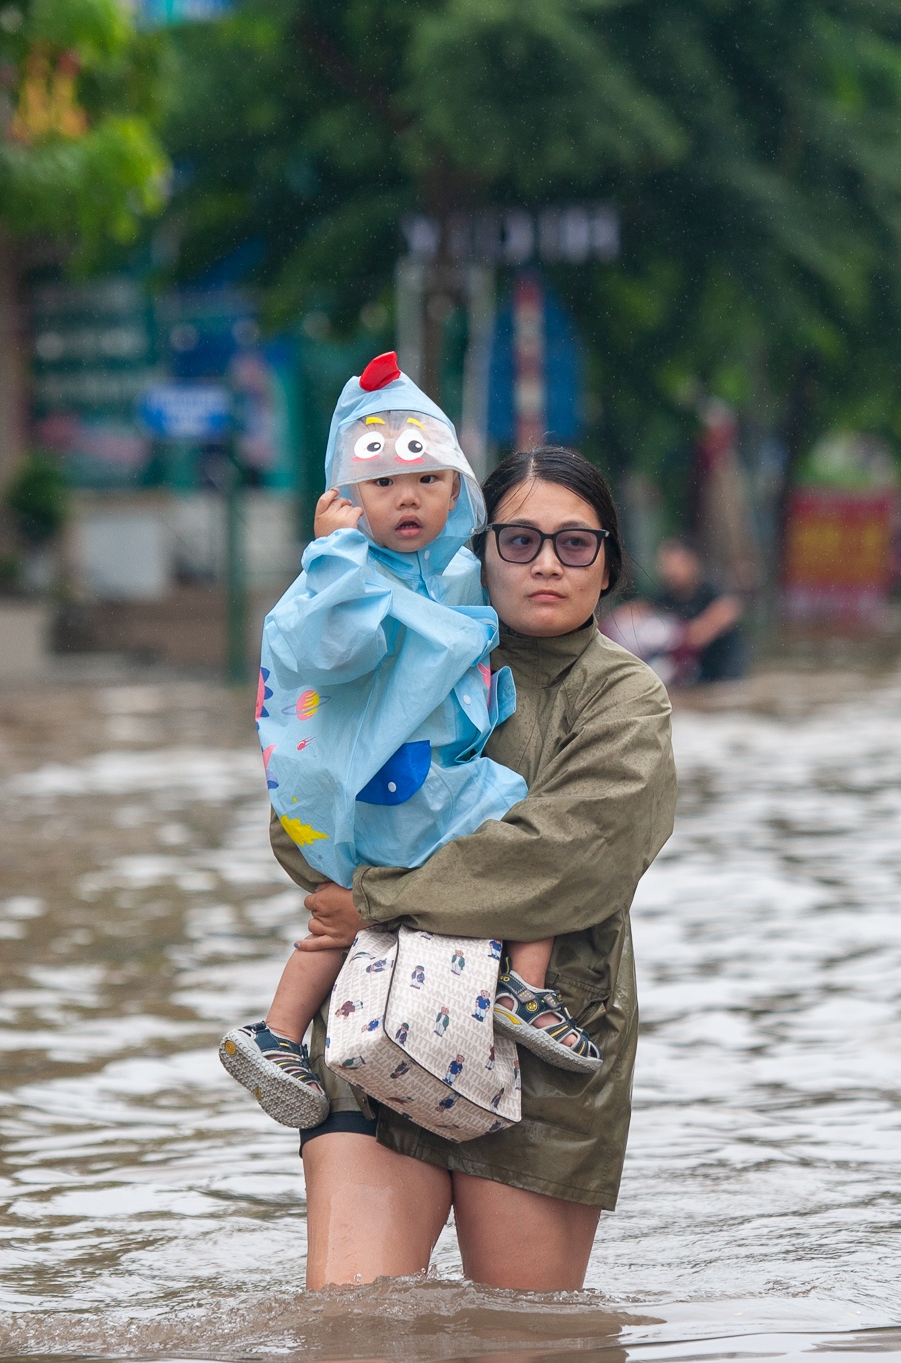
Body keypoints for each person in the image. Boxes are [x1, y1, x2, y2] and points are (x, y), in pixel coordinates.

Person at [275, 446, 676, 1291]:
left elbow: (564, 860)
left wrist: (376, 896)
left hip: (544, 1045)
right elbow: (304, 806)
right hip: (375, 1023)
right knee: (354, 1333)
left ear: (609, 566)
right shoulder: (395, 650)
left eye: (575, 544)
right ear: (478, 548)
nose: (545, 564)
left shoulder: (625, 698)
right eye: (519, 539)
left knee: (522, 1340)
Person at [220, 354, 600, 1132]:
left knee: (339, 916)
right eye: (383, 483)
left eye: (428, 480)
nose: (408, 498)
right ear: (345, 497)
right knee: (519, 837)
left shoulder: (463, 573)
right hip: (392, 782)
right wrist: (332, 557)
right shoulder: (341, 570)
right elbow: (326, 653)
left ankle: (280, 1031)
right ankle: (524, 991)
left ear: (457, 488)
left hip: (415, 778)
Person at [649, 538, 747, 683]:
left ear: (691, 563)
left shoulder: (710, 587)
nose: (670, 570)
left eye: (675, 564)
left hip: (725, 669)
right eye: (665, 565)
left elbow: (731, 607)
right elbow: (644, 612)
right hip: (696, 674)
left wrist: (699, 629)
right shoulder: (665, 596)